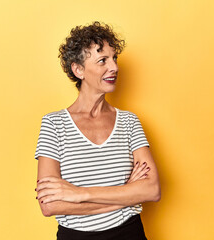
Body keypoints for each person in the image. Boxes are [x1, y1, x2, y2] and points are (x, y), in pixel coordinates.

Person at [34, 21, 161, 240]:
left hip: (129, 234)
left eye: (114, 58)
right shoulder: (54, 125)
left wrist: (79, 194)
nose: (114, 67)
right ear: (78, 69)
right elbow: (50, 205)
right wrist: (127, 194)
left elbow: (151, 190)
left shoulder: (129, 122)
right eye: (102, 60)